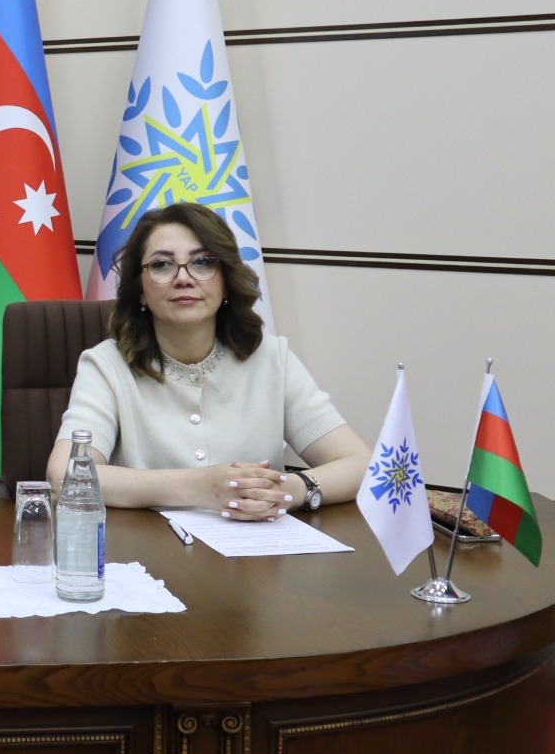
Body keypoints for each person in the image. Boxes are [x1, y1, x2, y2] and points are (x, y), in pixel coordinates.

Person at [47, 201, 367, 519]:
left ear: (226, 281)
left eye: (202, 262)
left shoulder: (272, 359)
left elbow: (361, 464)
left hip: (255, 549)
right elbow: (65, 477)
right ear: (140, 290)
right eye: (162, 265)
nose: (183, 278)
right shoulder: (106, 365)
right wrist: (200, 486)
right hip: (147, 546)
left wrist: (291, 490)